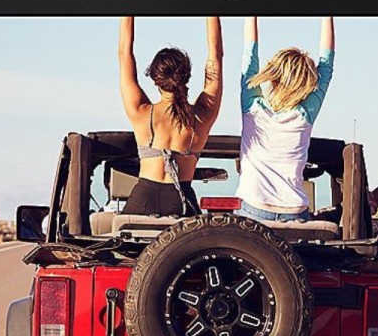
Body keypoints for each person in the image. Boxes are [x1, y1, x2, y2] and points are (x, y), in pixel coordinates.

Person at [118, 16, 223, 215]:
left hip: (143, 199)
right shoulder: (201, 116)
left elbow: (124, 54)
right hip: (182, 201)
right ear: (187, 77)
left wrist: (128, 10)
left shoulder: (141, 112)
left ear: (155, 79)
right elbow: (216, 55)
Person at [237, 16, 334, 221]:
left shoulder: (252, 108)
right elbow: (326, 66)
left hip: (254, 209)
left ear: (273, 73)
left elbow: (249, 56)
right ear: (307, 82)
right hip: (295, 212)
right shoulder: (304, 115)